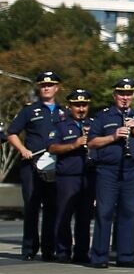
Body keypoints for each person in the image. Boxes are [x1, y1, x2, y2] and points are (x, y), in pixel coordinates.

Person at [86, 76, 134, 268]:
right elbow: (91, 142)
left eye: (129, 94)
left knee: (129, 212)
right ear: (114, 94)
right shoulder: (103, 116)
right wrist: (113, 136)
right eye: (121, 93)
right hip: (108, 170)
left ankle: (126, 255)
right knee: (104, 211)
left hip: (132, 170)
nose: (125, 97)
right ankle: (99, 256)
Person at [6, 69, 65, 261]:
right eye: (43, 85)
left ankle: (49, 249)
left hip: (55, 165)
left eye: (50, 85)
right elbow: (12, 133)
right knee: (31, 206)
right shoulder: (29, 110)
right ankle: (29, 248)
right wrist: (22, 149)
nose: (46, 88)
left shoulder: (64, 111)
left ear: (57, 88)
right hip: (31, 165)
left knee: (52, 207)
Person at [47, 89, 95, 263]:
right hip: (68, 176)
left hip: (88, 175)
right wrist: (74, 145)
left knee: (84, 217)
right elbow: (52, 148)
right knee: (64, 215)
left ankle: (82, 252)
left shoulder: (94, 124)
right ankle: (62, 252)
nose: (81, 109)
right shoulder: (61, 126)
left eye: (84, 105)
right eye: (77, 105)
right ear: (70, 106)